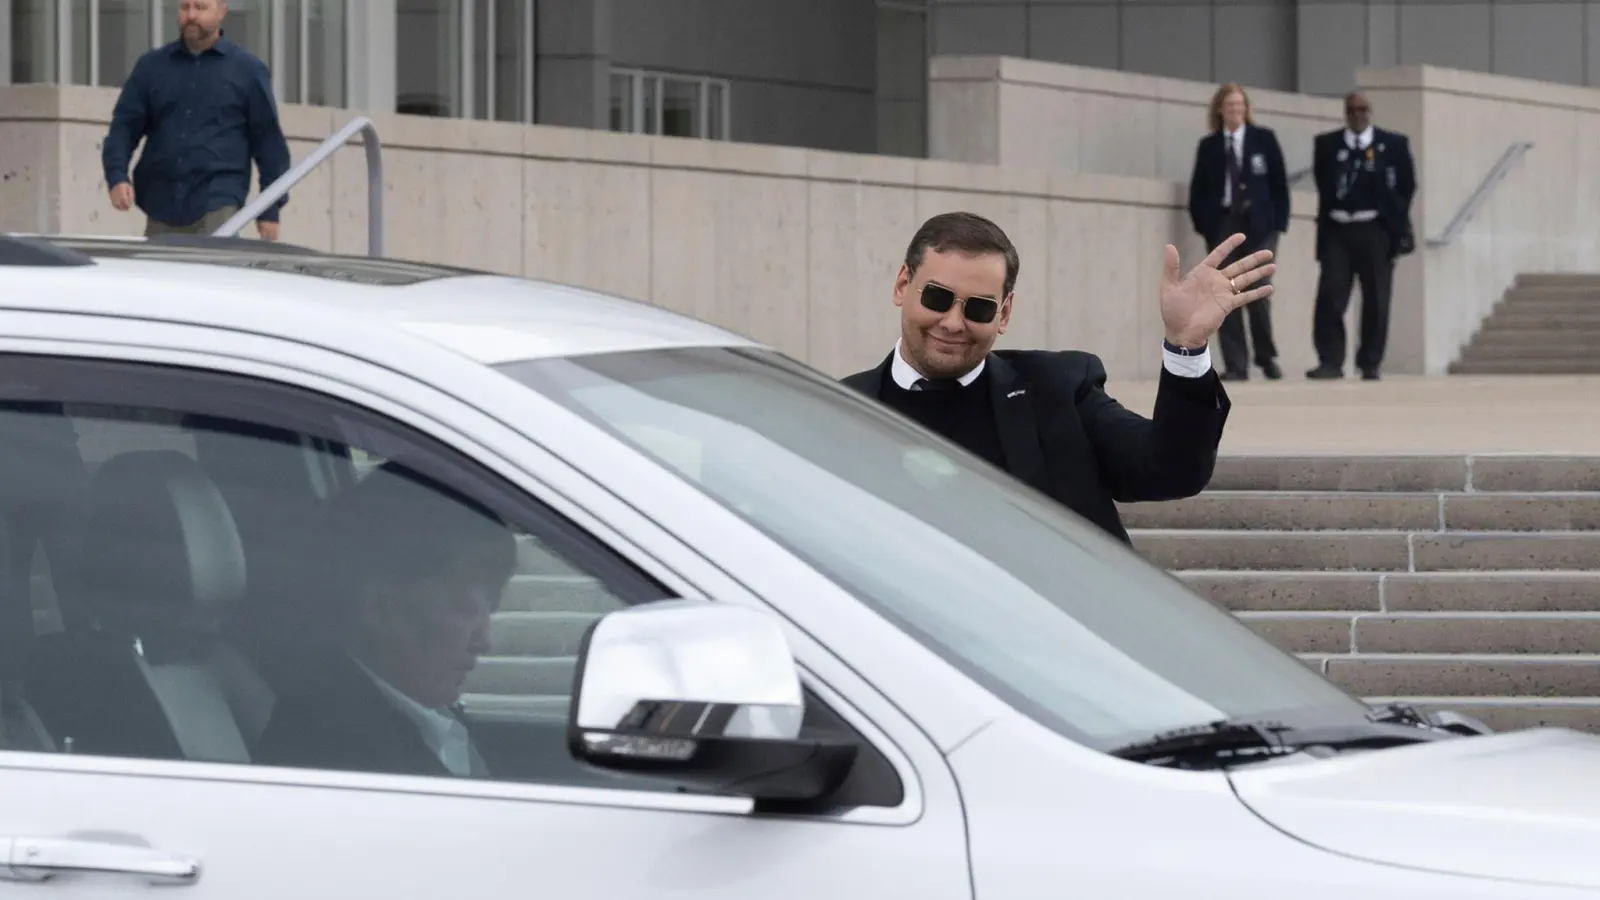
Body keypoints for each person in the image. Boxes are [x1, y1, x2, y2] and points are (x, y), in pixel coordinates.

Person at [842, 212, 1273, 544]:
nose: (953, 323)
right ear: (902, 285)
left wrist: (1185, 348)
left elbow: (1171, 470)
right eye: (937, 298)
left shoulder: (1057, 389)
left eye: (978, 308)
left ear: (1005, 313)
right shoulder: (835, 412)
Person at [253, 462, 518, 778]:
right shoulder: (338, 755)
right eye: (467, 609)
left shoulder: (412, 716)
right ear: (382, 609)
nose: (484, 641)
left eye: (492, 606)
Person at [101, 0, 291, 241]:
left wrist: (270, 210)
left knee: (211, 276)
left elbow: (269, 144)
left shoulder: (248, 71)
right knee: (159, 278)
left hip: (218, 200)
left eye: (200, 8)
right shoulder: (152, 67)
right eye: (185, 7)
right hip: (161, 202)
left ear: (222, 12)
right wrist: (117, 176)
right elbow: (124, 128)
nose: (191, 15)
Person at [1307, 91, 1417, 381]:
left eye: (1363, 109)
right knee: (1331, 295)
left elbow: (1407, 186)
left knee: (1376, 299)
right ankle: (1330, 360)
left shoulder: (1392, 145)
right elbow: (1323, 183)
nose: (1358, 115)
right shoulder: (1327, 145)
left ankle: (1370, 362)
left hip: (1375, 230)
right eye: (1352, 110)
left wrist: (1394, 220)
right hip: (1338, 229)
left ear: (1371, 112)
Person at [1187, 82, 1289, 381]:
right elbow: (1199, 190)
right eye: (1230, 105)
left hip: (1259, 225)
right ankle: (1236, 364)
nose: (1236, 110)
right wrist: (1205, 225)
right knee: (1225, 293)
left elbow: (1279, 186)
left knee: (1258, 292)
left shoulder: (1264, 140)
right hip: (1223, 224)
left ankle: (1267, 357)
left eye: (1240, 105)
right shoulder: (1209, 146)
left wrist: (1278, 224)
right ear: (1220, 109)